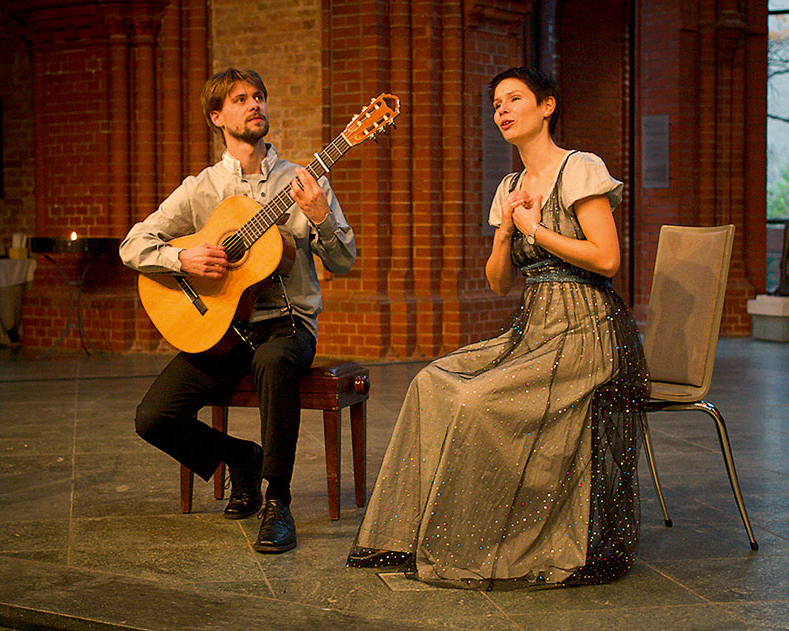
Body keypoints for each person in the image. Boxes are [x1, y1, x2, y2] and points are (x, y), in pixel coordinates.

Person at [347, 67, 649, 588]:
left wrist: (537, 227)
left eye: (515, 99)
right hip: (534, 327)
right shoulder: (509, 185)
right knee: (430, 384)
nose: (502, 110)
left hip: (586, 330)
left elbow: (606, 259)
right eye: (496, 104)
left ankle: (483, 541)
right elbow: (498, 283)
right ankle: (406, 536)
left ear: (547, 106)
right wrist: (506, 232)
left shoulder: (579, 168)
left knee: (476, 400)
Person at [120, 68, 356, 554]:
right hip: (221, 329)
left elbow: (344, 261)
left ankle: (278, 502)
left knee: (273, 361)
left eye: (259, 97)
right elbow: (132, 245)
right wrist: (180, 257)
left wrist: (319, 217)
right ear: (217, 117)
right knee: (153, 418)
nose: (255, 105)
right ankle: (240, 458)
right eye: (241, 99)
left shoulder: (304, 181)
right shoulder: (201, 188)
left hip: (286, 328)